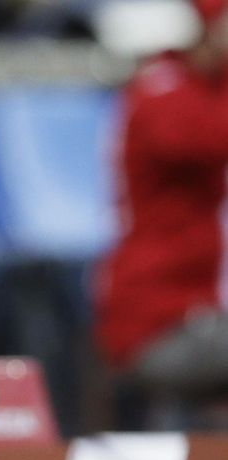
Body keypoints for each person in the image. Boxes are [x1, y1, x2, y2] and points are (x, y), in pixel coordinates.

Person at [95, 0, 228, 430]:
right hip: (156, 319)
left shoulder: (195, 87)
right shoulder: (162, 91)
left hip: (194, 311)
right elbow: (208, 137)